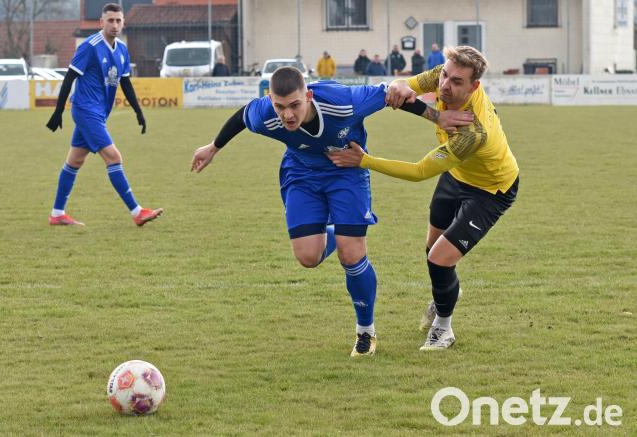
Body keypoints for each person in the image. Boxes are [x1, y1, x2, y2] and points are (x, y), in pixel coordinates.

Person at [190, 67, 465, 357]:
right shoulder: (266, 115)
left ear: (308, 96)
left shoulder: (343, 101)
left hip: (346, 171)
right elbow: (243, 115)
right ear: (270, 101)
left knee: (351, 254)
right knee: (308, 257)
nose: (288, 115)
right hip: (301, 175)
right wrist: (213, 147)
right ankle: (337, 235)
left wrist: (437, 116)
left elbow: (392, 95)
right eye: (280, 107)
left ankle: (365, 331)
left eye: (295, 105)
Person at [327, 46, 519, 351]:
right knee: (432, 250)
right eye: (445, 75)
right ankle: (446, 295)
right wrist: (412, 96)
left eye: (457, 81)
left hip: (491, 190)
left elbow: (418, 171)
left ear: (474, 86)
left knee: (439, 259)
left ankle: (444, 327)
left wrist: (364, 160)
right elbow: (400, 89)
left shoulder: (473, 133)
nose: (445, 85)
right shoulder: (440, 77)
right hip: (456, 176)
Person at [46, 3, 162, 227]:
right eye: (110, 20)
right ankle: (137, 212)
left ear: (123, 23)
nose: (115, 25)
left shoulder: (121, 50)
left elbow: (125, 82)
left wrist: (139, 112)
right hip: (85, 110)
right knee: (114, 157)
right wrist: (58, 112)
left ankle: (57, 213)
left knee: (75, 160)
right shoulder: (90, 46)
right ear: (101, 22)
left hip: (99, 113)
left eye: (119, 20)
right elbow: (69, 77)